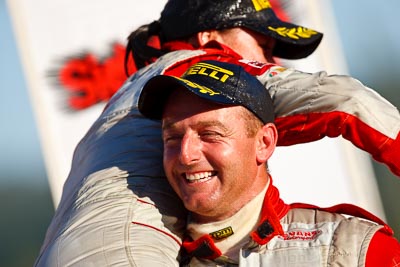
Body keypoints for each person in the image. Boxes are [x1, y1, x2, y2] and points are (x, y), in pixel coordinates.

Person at [34, 0, 400, 266]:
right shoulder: (202, 67)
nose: (271, 64)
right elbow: (346, 100)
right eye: (264, 46)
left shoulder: (129, 95)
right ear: (209, 39)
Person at [138, 60, 400, 266]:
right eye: (172, 137)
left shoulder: (354, 248)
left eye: (210, 135)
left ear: (264, 143)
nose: (185, 155)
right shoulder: (139, 253)